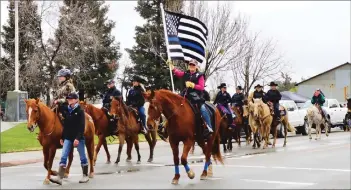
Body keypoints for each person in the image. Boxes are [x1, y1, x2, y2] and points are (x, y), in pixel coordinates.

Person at [50, 93, 89, 185]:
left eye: (71, 99)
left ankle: (85, 175)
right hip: (68, 137)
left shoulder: (80, 111)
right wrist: (62, 137)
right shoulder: (67, 110)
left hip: (78, 138)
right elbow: (65, 126)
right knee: (63, 156)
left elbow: (82, 126)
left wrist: (78, 138)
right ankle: (59, 177)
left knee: (82, 156)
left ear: (76, 100)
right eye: (68, 99)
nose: (69, 100)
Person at [168, 59, 213, 137]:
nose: (191, 66)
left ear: (196, 66)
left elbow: (201, 87)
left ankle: (209, 127)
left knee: (202, 108)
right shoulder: (186, 73)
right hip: (186, 95)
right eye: (190, 65)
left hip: (197, 96)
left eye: (193, 65)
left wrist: (193, 85)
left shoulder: (200, 75)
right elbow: (179, 73)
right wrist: (172, 68)